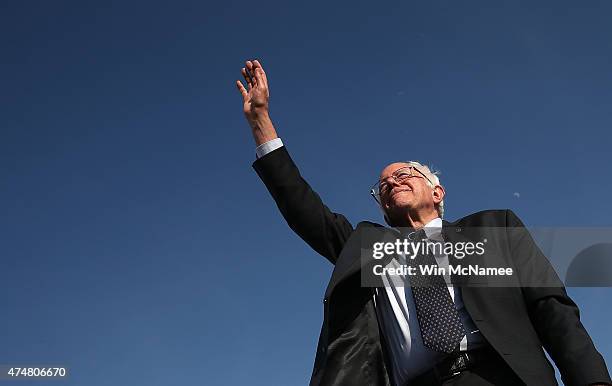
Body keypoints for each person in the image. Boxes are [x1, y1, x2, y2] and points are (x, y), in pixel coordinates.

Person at [235, 59, 611, 386]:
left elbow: (551, 305)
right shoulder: (368, 249)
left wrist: (591, 379)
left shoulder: (496, 227)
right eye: (382, 184)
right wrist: (260, 123)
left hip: (501, 377)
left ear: (438, 192)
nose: (391, 181)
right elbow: (301, 206)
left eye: (404, 173)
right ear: (382, 208)